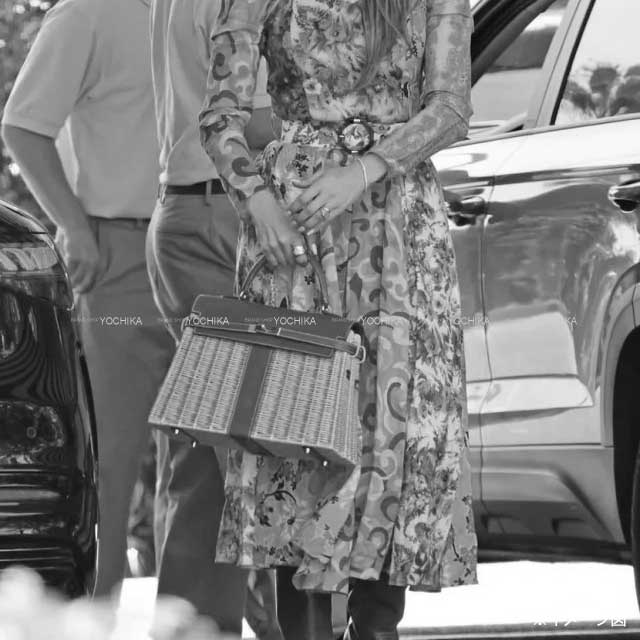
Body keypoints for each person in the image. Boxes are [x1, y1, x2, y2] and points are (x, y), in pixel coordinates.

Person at [198, 0, 478, 638]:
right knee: (294, 429)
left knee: (395, 425)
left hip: (397, 223)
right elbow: (219, 115)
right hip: (294, 228)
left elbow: (451, 107)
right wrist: (256, 200)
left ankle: (377, 626)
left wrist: (366, 169)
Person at [1, 0, 175, 599]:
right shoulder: (86, 13)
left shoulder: (214, 9)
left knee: (211, 459)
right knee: (110, 461)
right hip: (119, 259)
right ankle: (93, 621)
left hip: (210, 248)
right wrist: (73, 227)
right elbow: (23, 126)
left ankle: (200, 627)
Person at [147, 1, 281, 638]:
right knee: (234, 435)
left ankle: (205, 622)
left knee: (210, 437)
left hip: (189, 212)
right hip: (223, 215)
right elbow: (252, 121)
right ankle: (222, 623)